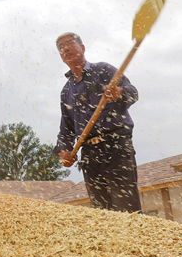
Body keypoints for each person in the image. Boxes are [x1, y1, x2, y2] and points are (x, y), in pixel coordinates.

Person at [52, 32, 142, 214]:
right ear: (61, 57)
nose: (66, 48)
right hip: (89, 155)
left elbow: (133, 92)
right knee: (102, 213)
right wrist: (64, 152)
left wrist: (118, 92)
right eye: (61, 47)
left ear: (82, 48)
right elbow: (66, 129)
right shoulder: (66, 91)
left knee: (127, 209)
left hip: (116, 146)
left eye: (69, 43)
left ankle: (135, 240)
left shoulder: (102, 70)